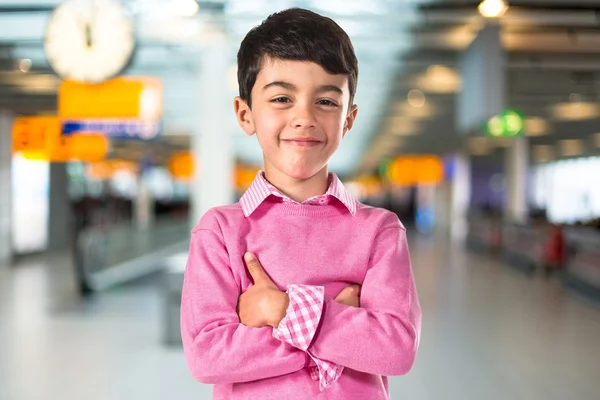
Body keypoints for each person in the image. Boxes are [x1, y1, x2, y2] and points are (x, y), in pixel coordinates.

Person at [180, 8, 421, 400]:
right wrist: (335, 322)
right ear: (245, 114)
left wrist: (280, 311)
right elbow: (208, 357)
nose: (304, 117)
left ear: (348, 119)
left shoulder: (379, 231)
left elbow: (396, 349)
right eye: (281, 98)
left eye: (326, 101)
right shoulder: (221, 232)